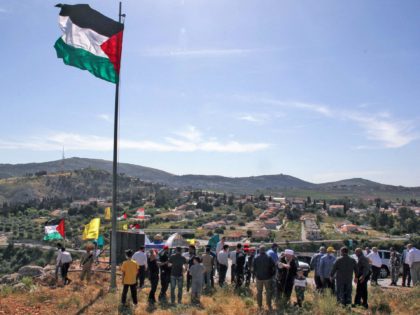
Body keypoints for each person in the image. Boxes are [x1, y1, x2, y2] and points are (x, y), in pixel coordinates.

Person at [253, 245, 276, 311]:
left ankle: (259, 306)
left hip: (259, 278)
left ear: (260, 250)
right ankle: (268, 305)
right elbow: (273, 266)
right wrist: (272, 274)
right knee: (268, 291)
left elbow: (253, 268)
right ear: (264, 250)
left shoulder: (256, 257)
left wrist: (255, 275)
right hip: (268, 277)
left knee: (259, 292)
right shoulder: (269, 257)